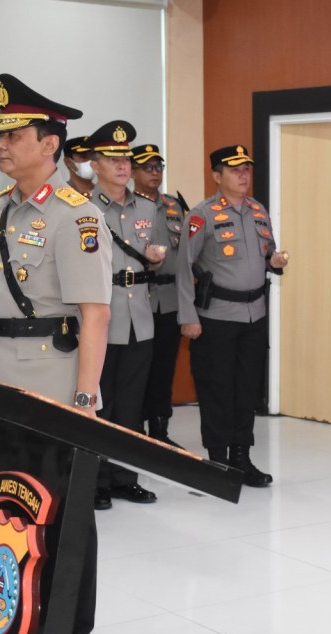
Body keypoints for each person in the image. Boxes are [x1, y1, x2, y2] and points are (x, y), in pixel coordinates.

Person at [0, 73, 112, 634]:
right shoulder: (1, 209)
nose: (2, 146)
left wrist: (84, 401)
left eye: (14, 136)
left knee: (63, 516)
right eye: (1, 135)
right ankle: (19, 626)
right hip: (1, 388)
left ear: (50, 144)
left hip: (55, 391)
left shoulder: (74, 216)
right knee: (13, 514)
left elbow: (95, 315)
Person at [176, 145, 289, 487]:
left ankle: (242, 459)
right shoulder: (202, 214)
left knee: (246, 389)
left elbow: (266, 254)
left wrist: (274, 262)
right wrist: (188, 316)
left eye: (246, 169)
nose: (243, 175)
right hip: (216, 317)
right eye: (235, 170)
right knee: (217, 389)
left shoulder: (258, 210)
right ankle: (218, 462)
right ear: (216, 176)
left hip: (254, 315)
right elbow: (184, 267)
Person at [86, 122, 161, 509]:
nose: (122, 165)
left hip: (139, 318)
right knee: (102, 404)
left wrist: (155, 259)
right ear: (94, 165)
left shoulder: (147, 208)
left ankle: (125, 478)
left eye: (126, 159)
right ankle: (97, 480)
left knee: (132, 404)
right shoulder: (82, 208)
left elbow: (154, 259)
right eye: (112, 159)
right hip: (100, 320)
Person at [133, 144, 186, 448]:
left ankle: (160, 430)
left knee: (165, 367)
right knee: (139, 368)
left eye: (158, 167)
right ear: (133, 172)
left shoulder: (174, 206)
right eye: (147, 168)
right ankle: (135, 429)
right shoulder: (126, 206)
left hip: (170, 299)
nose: (155, 173)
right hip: (139, 298)